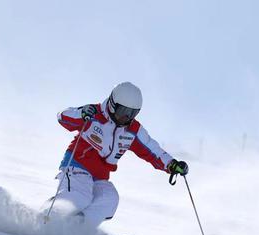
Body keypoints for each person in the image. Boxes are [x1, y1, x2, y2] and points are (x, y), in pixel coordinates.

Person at [50, 81, 189, 225]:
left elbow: (152, 150)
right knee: (79, 196)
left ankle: (80, 227)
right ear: (112, 104)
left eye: (132, 113)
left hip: (100, 176)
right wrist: (81, 113)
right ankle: (49, 218)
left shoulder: (133, 130)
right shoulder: (94, 114)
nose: (126, 117)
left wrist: (172, 164)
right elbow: (63, 117)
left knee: (109, 199)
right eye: (123, 111)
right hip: (76, 166)